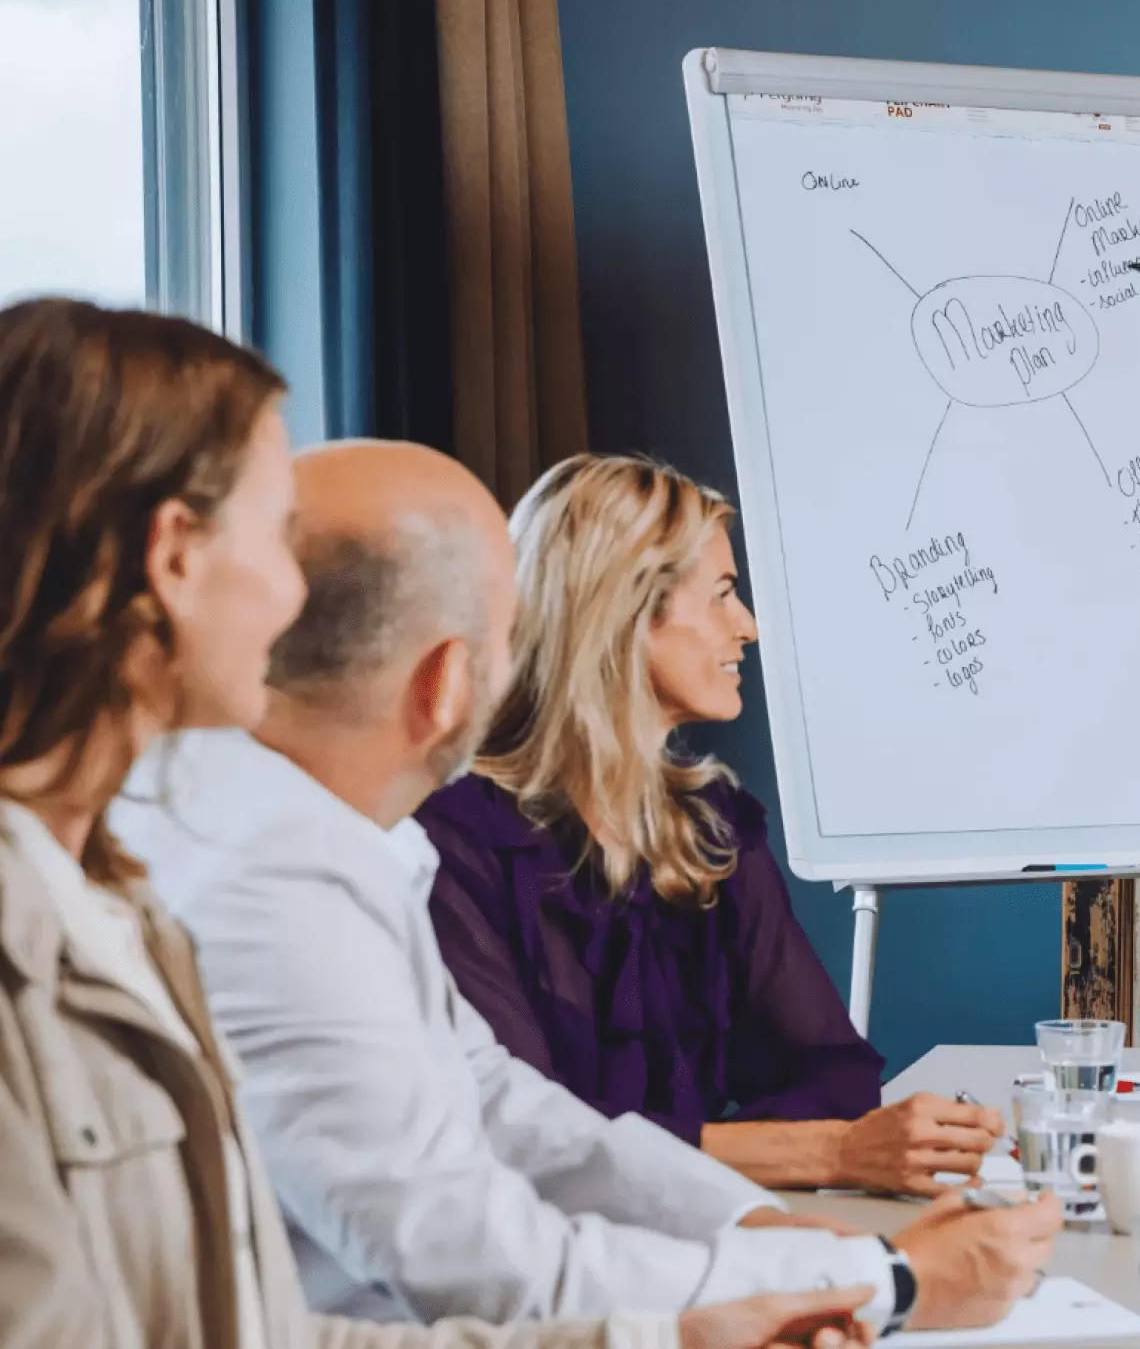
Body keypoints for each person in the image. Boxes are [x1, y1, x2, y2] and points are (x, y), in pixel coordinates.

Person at [0, 296, 882, 1349]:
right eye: (274, 533)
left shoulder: (123, 891)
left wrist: (727, 1302)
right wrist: (828, 1282)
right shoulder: (239, 871)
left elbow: (257, 1323)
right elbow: (453, 1239)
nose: (302, 601)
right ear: (175, 555)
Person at [109, 437, 1059, 1336]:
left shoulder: (343, 843)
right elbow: (477, 1251)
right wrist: (881, 1283)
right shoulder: (279, 880)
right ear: (449, 682)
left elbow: (509, 1107)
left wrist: (776, 1238)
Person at [412, 454, 1003, 1196]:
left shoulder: (710, 830)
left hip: (708, 1238)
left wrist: (798, 1150)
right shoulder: (450, 842)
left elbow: (835, 1072)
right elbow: (534, 1142)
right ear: (623, 612)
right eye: (723, 594)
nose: (748, 627)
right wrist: (824, 1154)